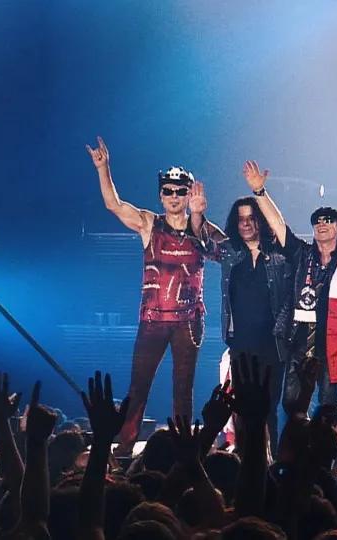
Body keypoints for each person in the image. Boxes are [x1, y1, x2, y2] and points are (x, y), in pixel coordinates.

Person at [86, 136, 209, 456]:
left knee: (183, 389)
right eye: (167, 190)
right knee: (138, 385)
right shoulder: (148, 223)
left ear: (190, 194)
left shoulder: (201, 229)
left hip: (189, 323)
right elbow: (114, 204)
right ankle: (125, 446)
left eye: (180, 190)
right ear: (160, 194)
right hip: (152, 319)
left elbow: (228, 252)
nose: (173, 196)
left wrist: (200, 217)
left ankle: (185, 450)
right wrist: (104, 168)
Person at [242, 174, 337, 415]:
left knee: (328, 407)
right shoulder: (302, 254)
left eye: (328, 220)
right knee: (291, 404)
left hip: (333, 341)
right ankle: (293, 451)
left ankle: (329, 452)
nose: (321, 224)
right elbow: (278, 225)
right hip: (299, 339)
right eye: (316, 221)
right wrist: (260, 192)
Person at [194, 161, 296, 451]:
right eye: (241, 219)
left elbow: (289, 295)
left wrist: (283, 328)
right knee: (242, 410)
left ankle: (271, 461)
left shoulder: (280, 254)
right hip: (241, 345)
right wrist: (197, 213)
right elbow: (202, 240)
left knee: (270, 409)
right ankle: (245, 460)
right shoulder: (230, 254)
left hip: (274, 345)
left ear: (260, 221)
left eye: (252, 218)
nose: (247, 223)